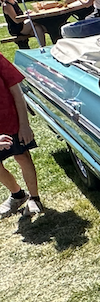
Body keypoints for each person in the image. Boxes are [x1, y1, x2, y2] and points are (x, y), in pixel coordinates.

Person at [0, 54, 42, 217]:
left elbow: (17, 93)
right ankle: (17, 195)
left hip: (12, 122)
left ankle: (34, 198)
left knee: (22, 157)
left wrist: (24, 125)